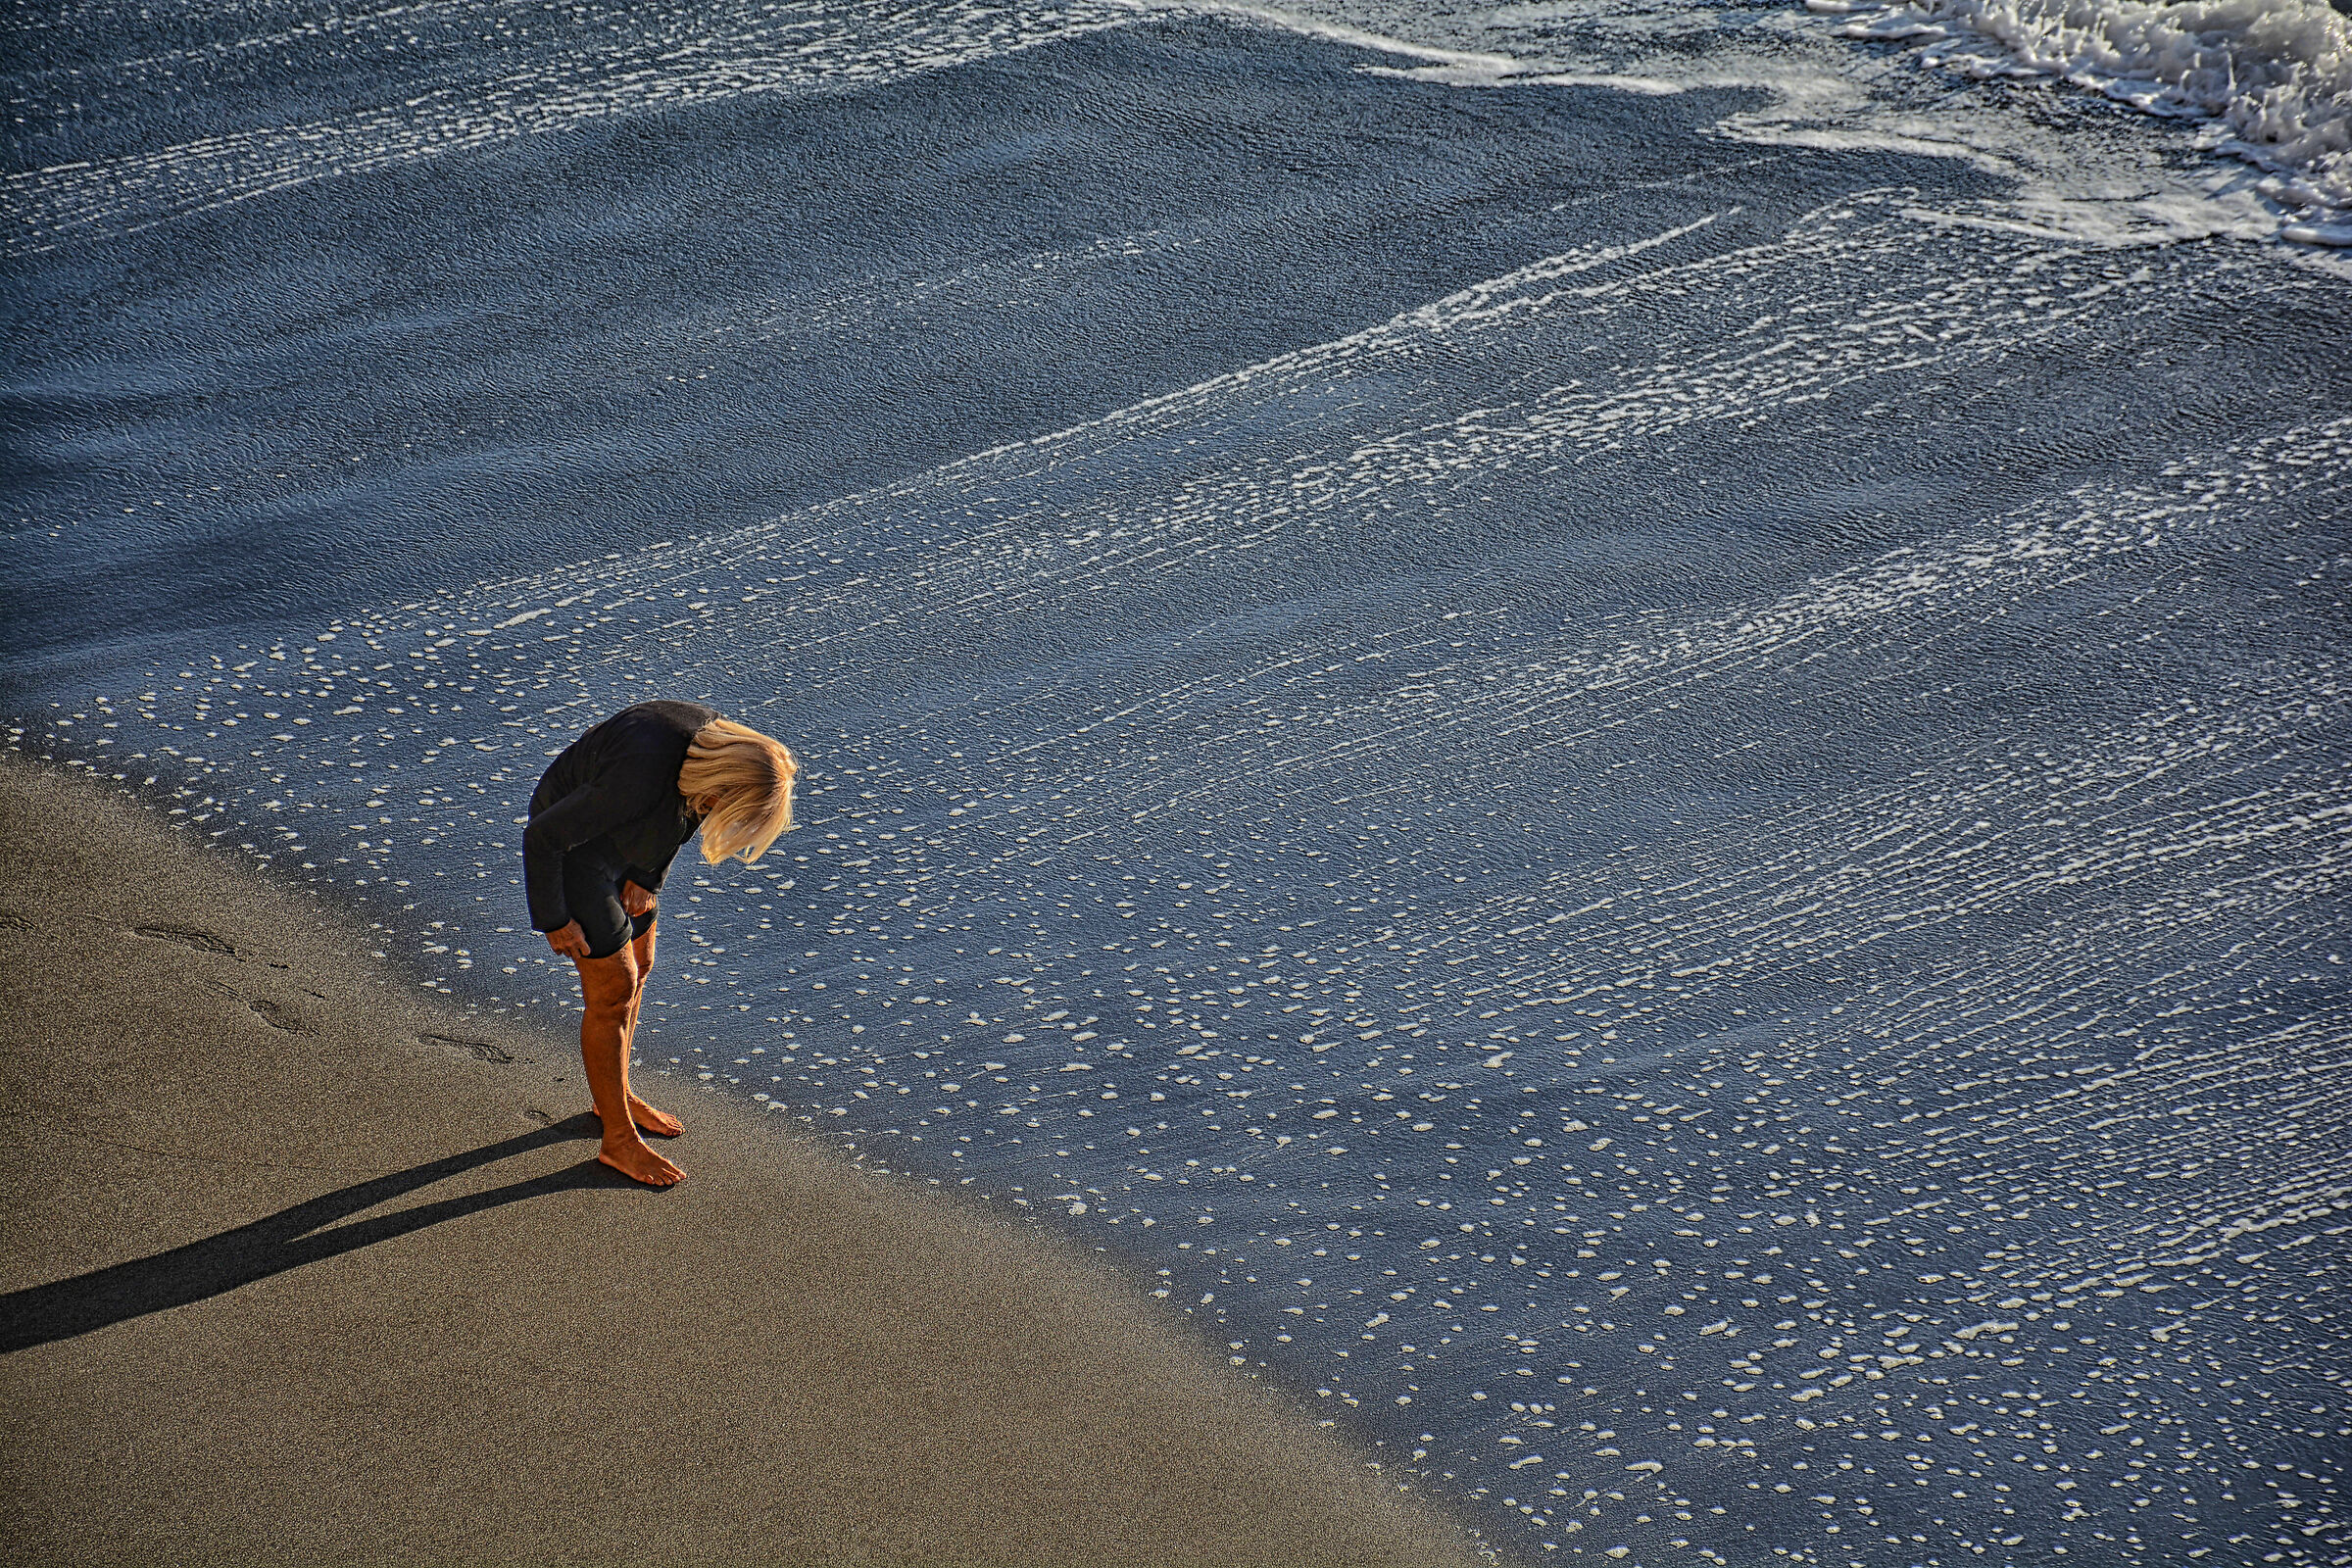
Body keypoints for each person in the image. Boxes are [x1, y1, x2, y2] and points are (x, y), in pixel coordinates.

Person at [523, 701, 798, 1185]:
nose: (721, 818)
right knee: (614, 991)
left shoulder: (707, 752)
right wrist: (553, 919)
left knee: (642, 963)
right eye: (725, 806)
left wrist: (649, 876)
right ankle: (618, 1140)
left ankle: (614, 1092)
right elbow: (544, 836)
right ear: (721, 781)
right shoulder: (639, 777)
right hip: (576, 854)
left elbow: (689, 812)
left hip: (632, 841)